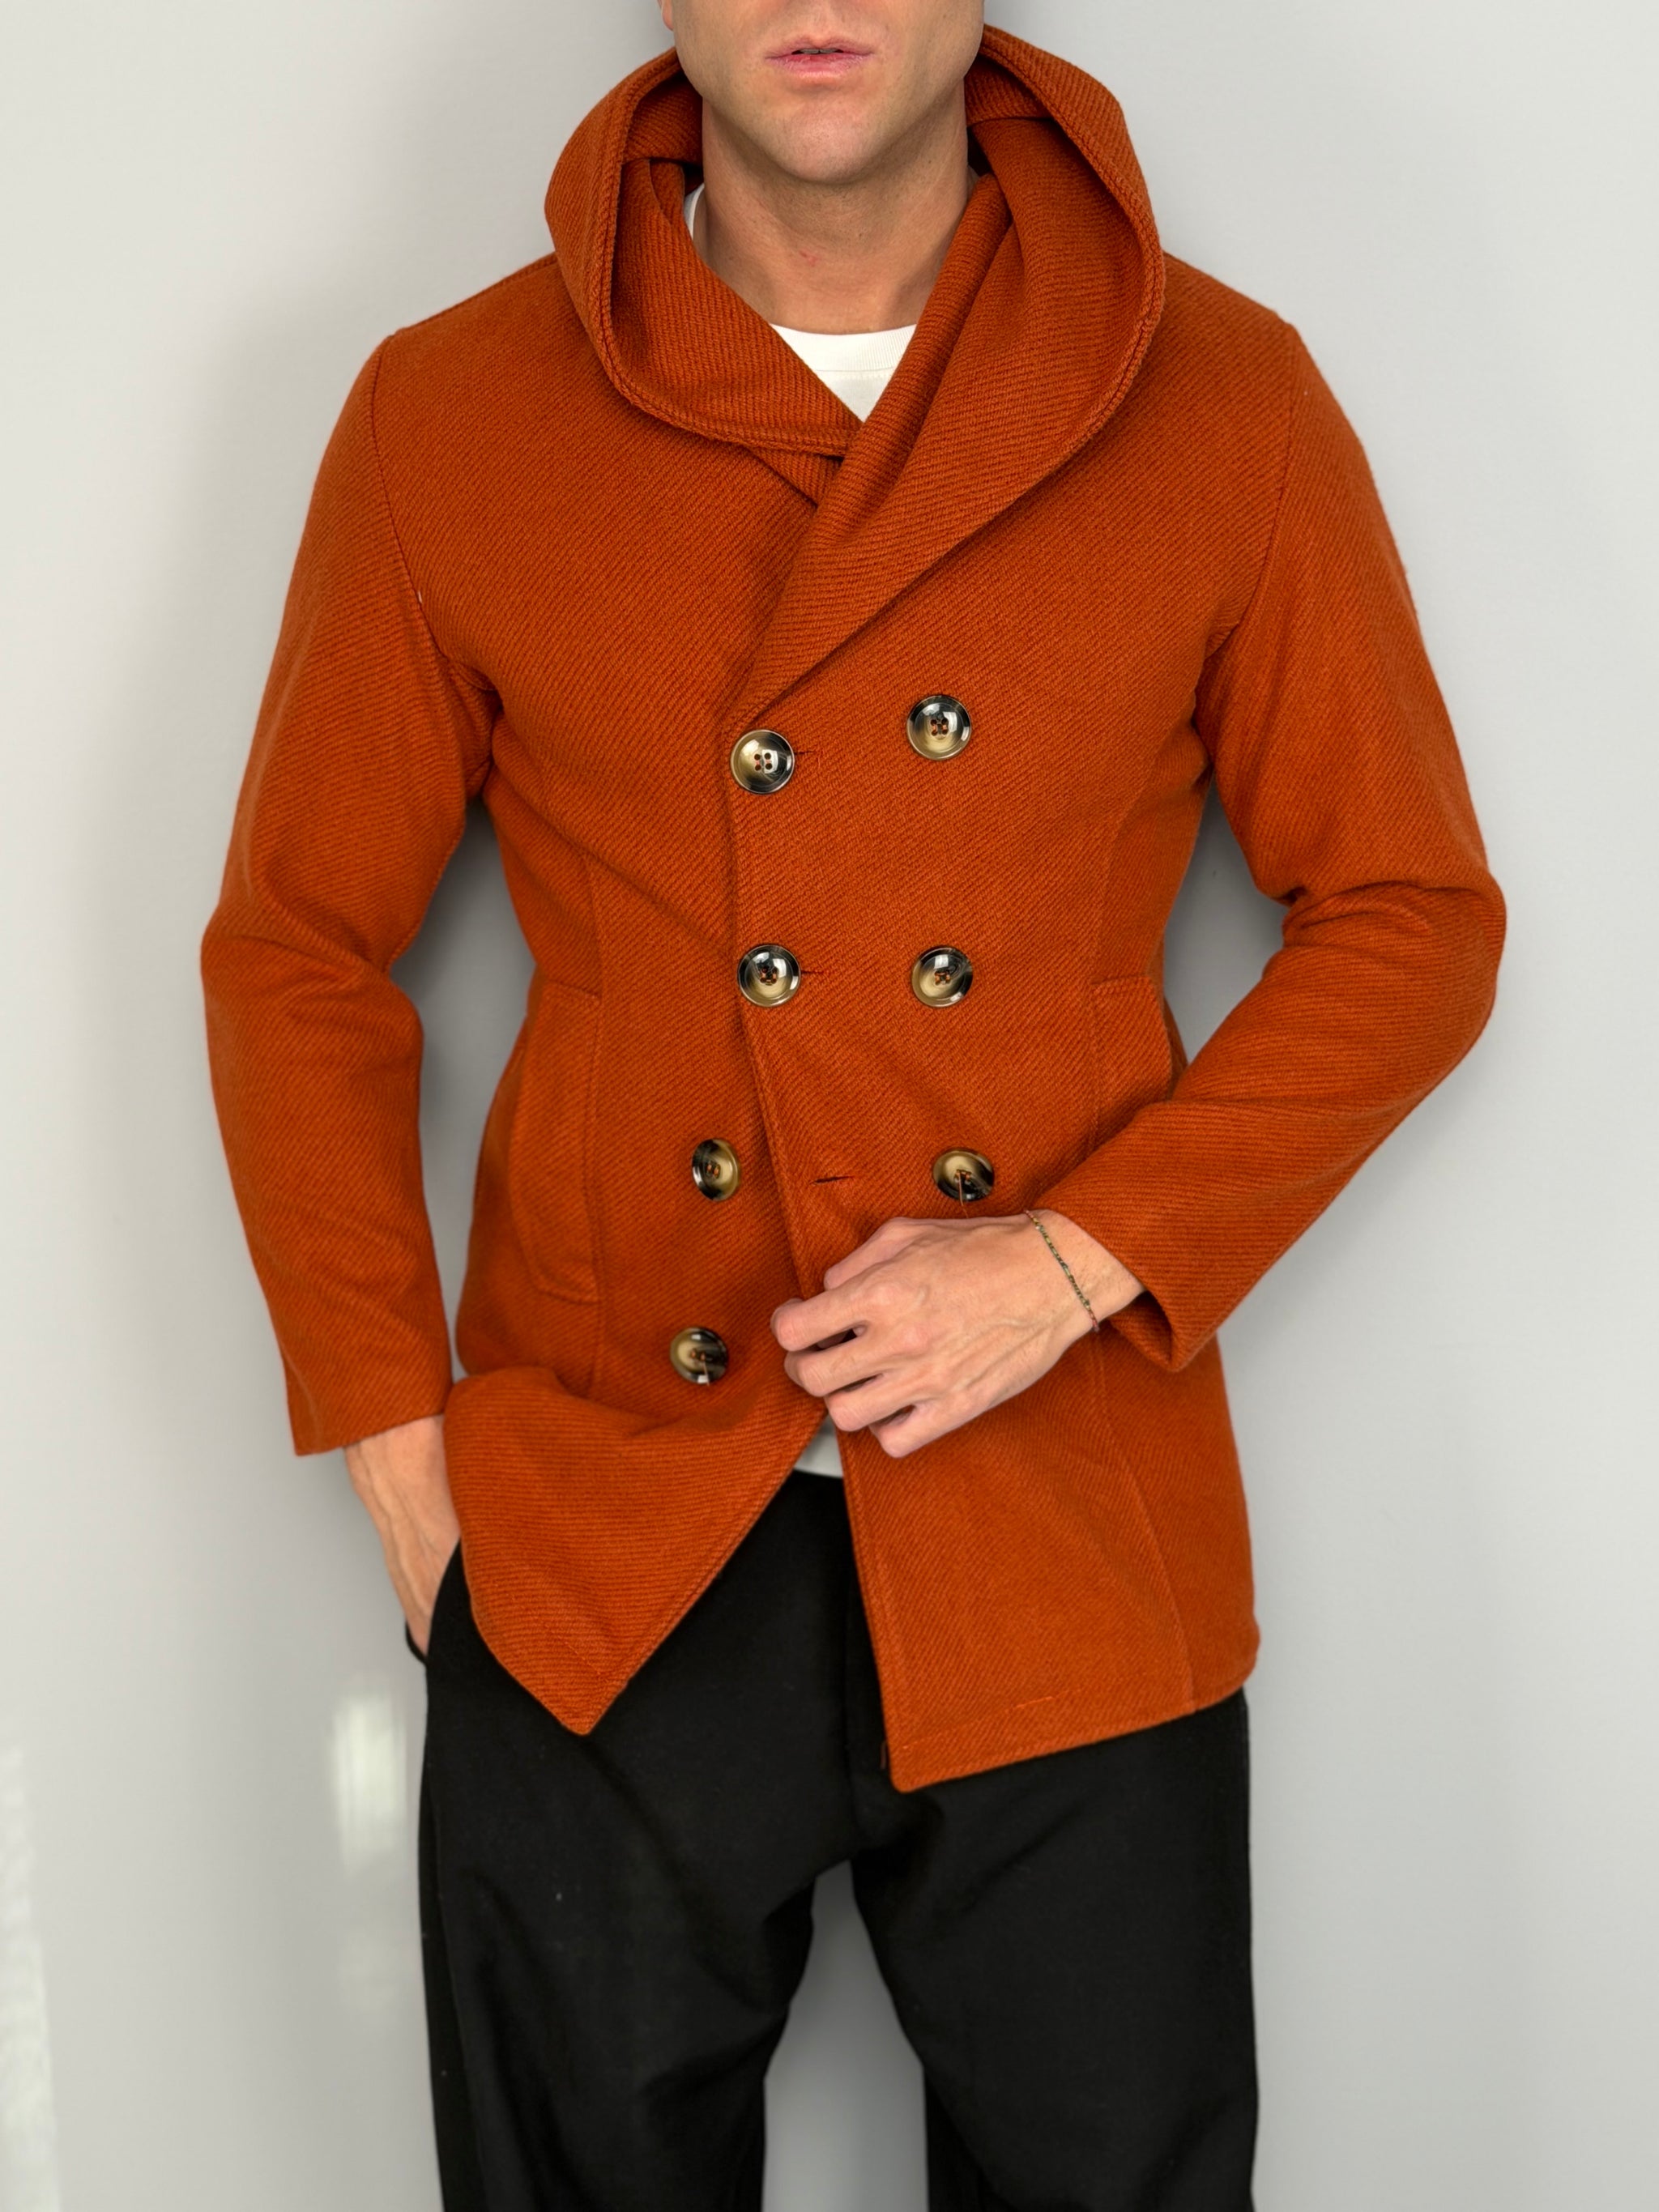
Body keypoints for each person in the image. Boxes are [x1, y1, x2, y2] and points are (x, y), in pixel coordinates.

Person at [200, 3, 1505, 2205]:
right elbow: (296, 952)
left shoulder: (1218, 395)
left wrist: (1068, 1261)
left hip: (1063, 1511)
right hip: (606, 1524)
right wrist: (401, 1456)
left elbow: (1412, 916)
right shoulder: (452, 409)